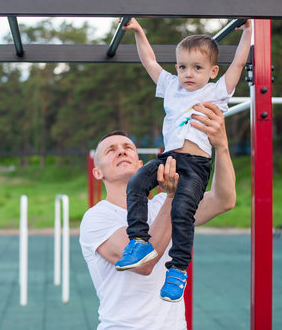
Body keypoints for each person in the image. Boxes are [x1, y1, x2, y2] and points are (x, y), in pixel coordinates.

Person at [112, 18, 251, 302]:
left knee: (182, 213)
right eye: (183, 66)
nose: (188, 73)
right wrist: (139, 31)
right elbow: (149, 61)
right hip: (169, 157)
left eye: (197, 68)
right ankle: (139, 240)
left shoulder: (216, 91)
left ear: (213, 71)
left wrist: (249, 32)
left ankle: (177, 269)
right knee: (137, 183)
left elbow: (237, 65)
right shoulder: (172, 86)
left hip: (196, 166)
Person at [79, 102, 236, 329]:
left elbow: (224, 200)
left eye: (128, 147)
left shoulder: (163, 202)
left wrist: (221, 147)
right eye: (110, 150)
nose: (121, 151)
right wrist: (172, 198)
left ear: (141, 165)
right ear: (97, 172)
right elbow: (144, 264)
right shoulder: (96, 218)